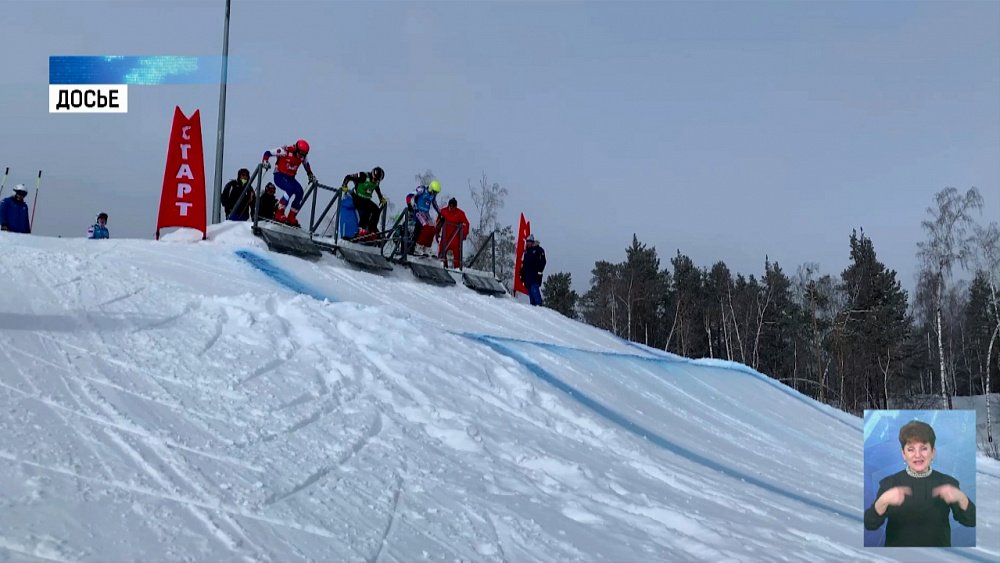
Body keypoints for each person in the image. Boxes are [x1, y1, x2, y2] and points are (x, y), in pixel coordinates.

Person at [864, 420, 976, 547]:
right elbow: (870, 524)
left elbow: (971, 521)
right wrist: (883, 501)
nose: (917, 455)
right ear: (903, 454)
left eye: (923, 448)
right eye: (911, 449)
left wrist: (962, 498)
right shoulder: (890, 483)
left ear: (933, 452)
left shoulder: (947, 483)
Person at [262, 139, 315, 227]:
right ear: (296, 149)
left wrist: (310, 174)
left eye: (304, 155)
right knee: (290, 189)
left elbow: (306, 165)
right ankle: (279, 213)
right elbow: (267, 153)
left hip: (290, 178)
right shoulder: (285, 151)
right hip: (279, 175)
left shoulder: (302, 156)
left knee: (299, 192)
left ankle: (291, 217)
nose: (301, 156)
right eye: (300, 154)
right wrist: (265, 161)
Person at [341, 166, 387, 238]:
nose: (375, 181)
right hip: (357, 197)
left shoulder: (376, 182)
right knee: (366, 210)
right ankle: (360, 229)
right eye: (375, 179)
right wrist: (344, 185)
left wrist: (381, 198)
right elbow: (348, 177)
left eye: (377, 180)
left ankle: (372, 228)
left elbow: (377, 188)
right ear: (372, 174)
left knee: (376, 210)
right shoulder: (363, 176)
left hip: (366, 199)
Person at [409, 179, 441, 256]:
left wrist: (440, 213)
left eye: (436, 193)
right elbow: (412, 195)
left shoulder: (432, 195)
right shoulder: (422, 189)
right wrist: (412, 206)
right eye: (434, 191)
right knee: (425, 227)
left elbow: (434, 203)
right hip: (418, 211)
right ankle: (417, 247)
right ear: (431, 188)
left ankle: (426, 247)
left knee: (432, 228)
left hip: (426, 213)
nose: (434, 194)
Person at [436, 197, 470, 269]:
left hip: (455, 238)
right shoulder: (443, 211)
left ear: (455, 207)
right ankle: (442, 266)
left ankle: (458, 269)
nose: (451, 208)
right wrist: (437, 232)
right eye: (450, 206)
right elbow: (438, 222)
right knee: (442, 252)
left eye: (453, 207)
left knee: (457, 255)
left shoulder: (460, 213)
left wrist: (463, 236)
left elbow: (466, 224)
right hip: (445, 237)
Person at [519, 233, 547, 306]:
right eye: (527, 242)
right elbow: (523, 264)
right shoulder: (526, 252)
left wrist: (539, 271)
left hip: (535, 276)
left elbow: (543, 261)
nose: (528, 243)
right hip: (527, 276)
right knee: (530, 293)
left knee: (534, 290)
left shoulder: (538, 250)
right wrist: (522, 274)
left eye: (529, 242)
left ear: (532, 242)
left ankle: (539, 305)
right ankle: (533, 306)